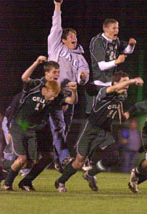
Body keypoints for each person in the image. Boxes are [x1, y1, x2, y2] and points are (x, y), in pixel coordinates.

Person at [54, 71, 143, 193]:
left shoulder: (122, 95)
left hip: (105, 131)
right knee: (78, 163)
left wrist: (124, 115)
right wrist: (133, 80)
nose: (126, 85)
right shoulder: (104, 91)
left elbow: (119, 108)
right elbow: (115, 88)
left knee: (114, 158)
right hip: (90, 129)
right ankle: (60, 181)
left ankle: (90, 173)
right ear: (115, 83)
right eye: (124, 82)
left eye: (127, 82)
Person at [2, 60, 78, 191]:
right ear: (46, 73)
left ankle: (24, 181)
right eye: (54, 72)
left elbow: (70, 102)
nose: (57, 75)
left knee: (36, 160)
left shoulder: (56, 90)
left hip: (38, 127)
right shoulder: (36, 84)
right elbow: (24, 79)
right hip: (21, 126)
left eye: (58, 72)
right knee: (22, 160)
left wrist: (74, 91)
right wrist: (37, 62)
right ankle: (5, 175)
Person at [48, 0, 89, 168]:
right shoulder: (56, 48)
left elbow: (83, 72)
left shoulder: (79, 55)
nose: (74, 38)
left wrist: (82, 77)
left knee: (64, 129)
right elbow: (56, 27)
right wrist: (58, 6)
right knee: (57, 127)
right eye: (70, 36)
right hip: (54, 92)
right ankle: (64, 158)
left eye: (75, 36)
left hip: (70, 95)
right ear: (63, 40)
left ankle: (58, 160)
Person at [85, 18, 136, 114]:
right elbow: (101, 66)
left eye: (117, 28)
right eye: (114, 28)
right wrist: (116, 61)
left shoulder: (115, 40)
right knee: (92, 114)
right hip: (97, 83)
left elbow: (127, 50)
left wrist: (131, 45)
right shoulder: (98, 42)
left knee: (108, 113)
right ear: (105, 28)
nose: (116, 30)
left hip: (109, 82)